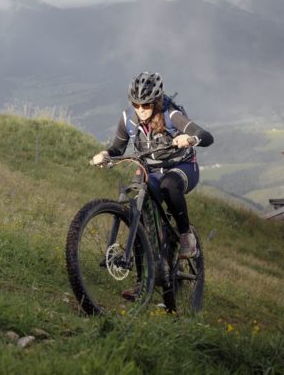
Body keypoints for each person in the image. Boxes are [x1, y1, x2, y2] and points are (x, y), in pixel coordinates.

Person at [91, 71, 213, 259]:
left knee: (169, 185)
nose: (140, 109)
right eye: (136, 104)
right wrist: (105, 154)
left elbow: (207, 137)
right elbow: (117, 148)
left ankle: (185, 235)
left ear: (156, 101)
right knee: (137, 195)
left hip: (183, 166)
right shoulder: (127, 119)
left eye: (146, 104)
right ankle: (144, 278)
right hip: (152, 169)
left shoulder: (171, 115)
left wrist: (190, 139)